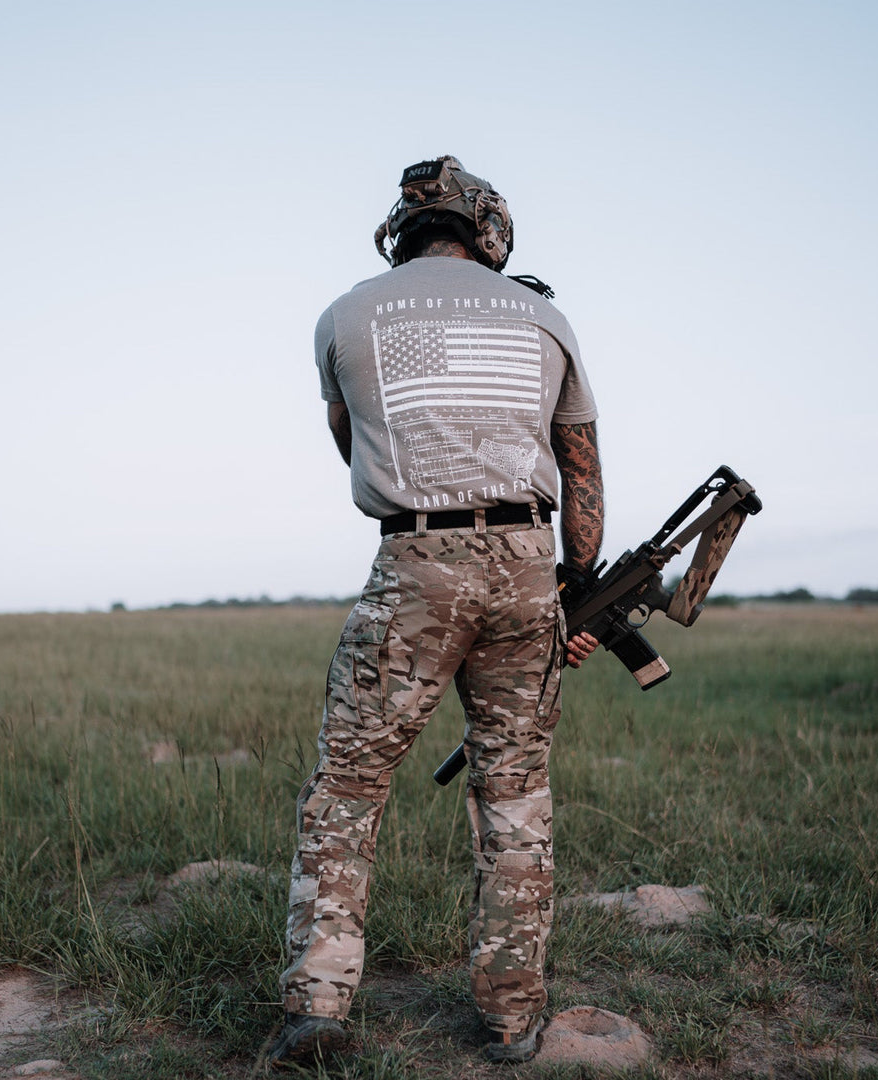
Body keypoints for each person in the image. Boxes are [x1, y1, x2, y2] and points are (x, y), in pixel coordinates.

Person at [267, 155, 604, 1067]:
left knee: (347, 785)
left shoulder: (345, 313)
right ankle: (508, 1017)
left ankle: (319, 1006)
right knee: (516, 794)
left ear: (402, 230)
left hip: (414, 559)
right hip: (530, 561)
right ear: (487, 232)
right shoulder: (547, 317)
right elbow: (581, 475)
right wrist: (571, 590)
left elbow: (352, 442)